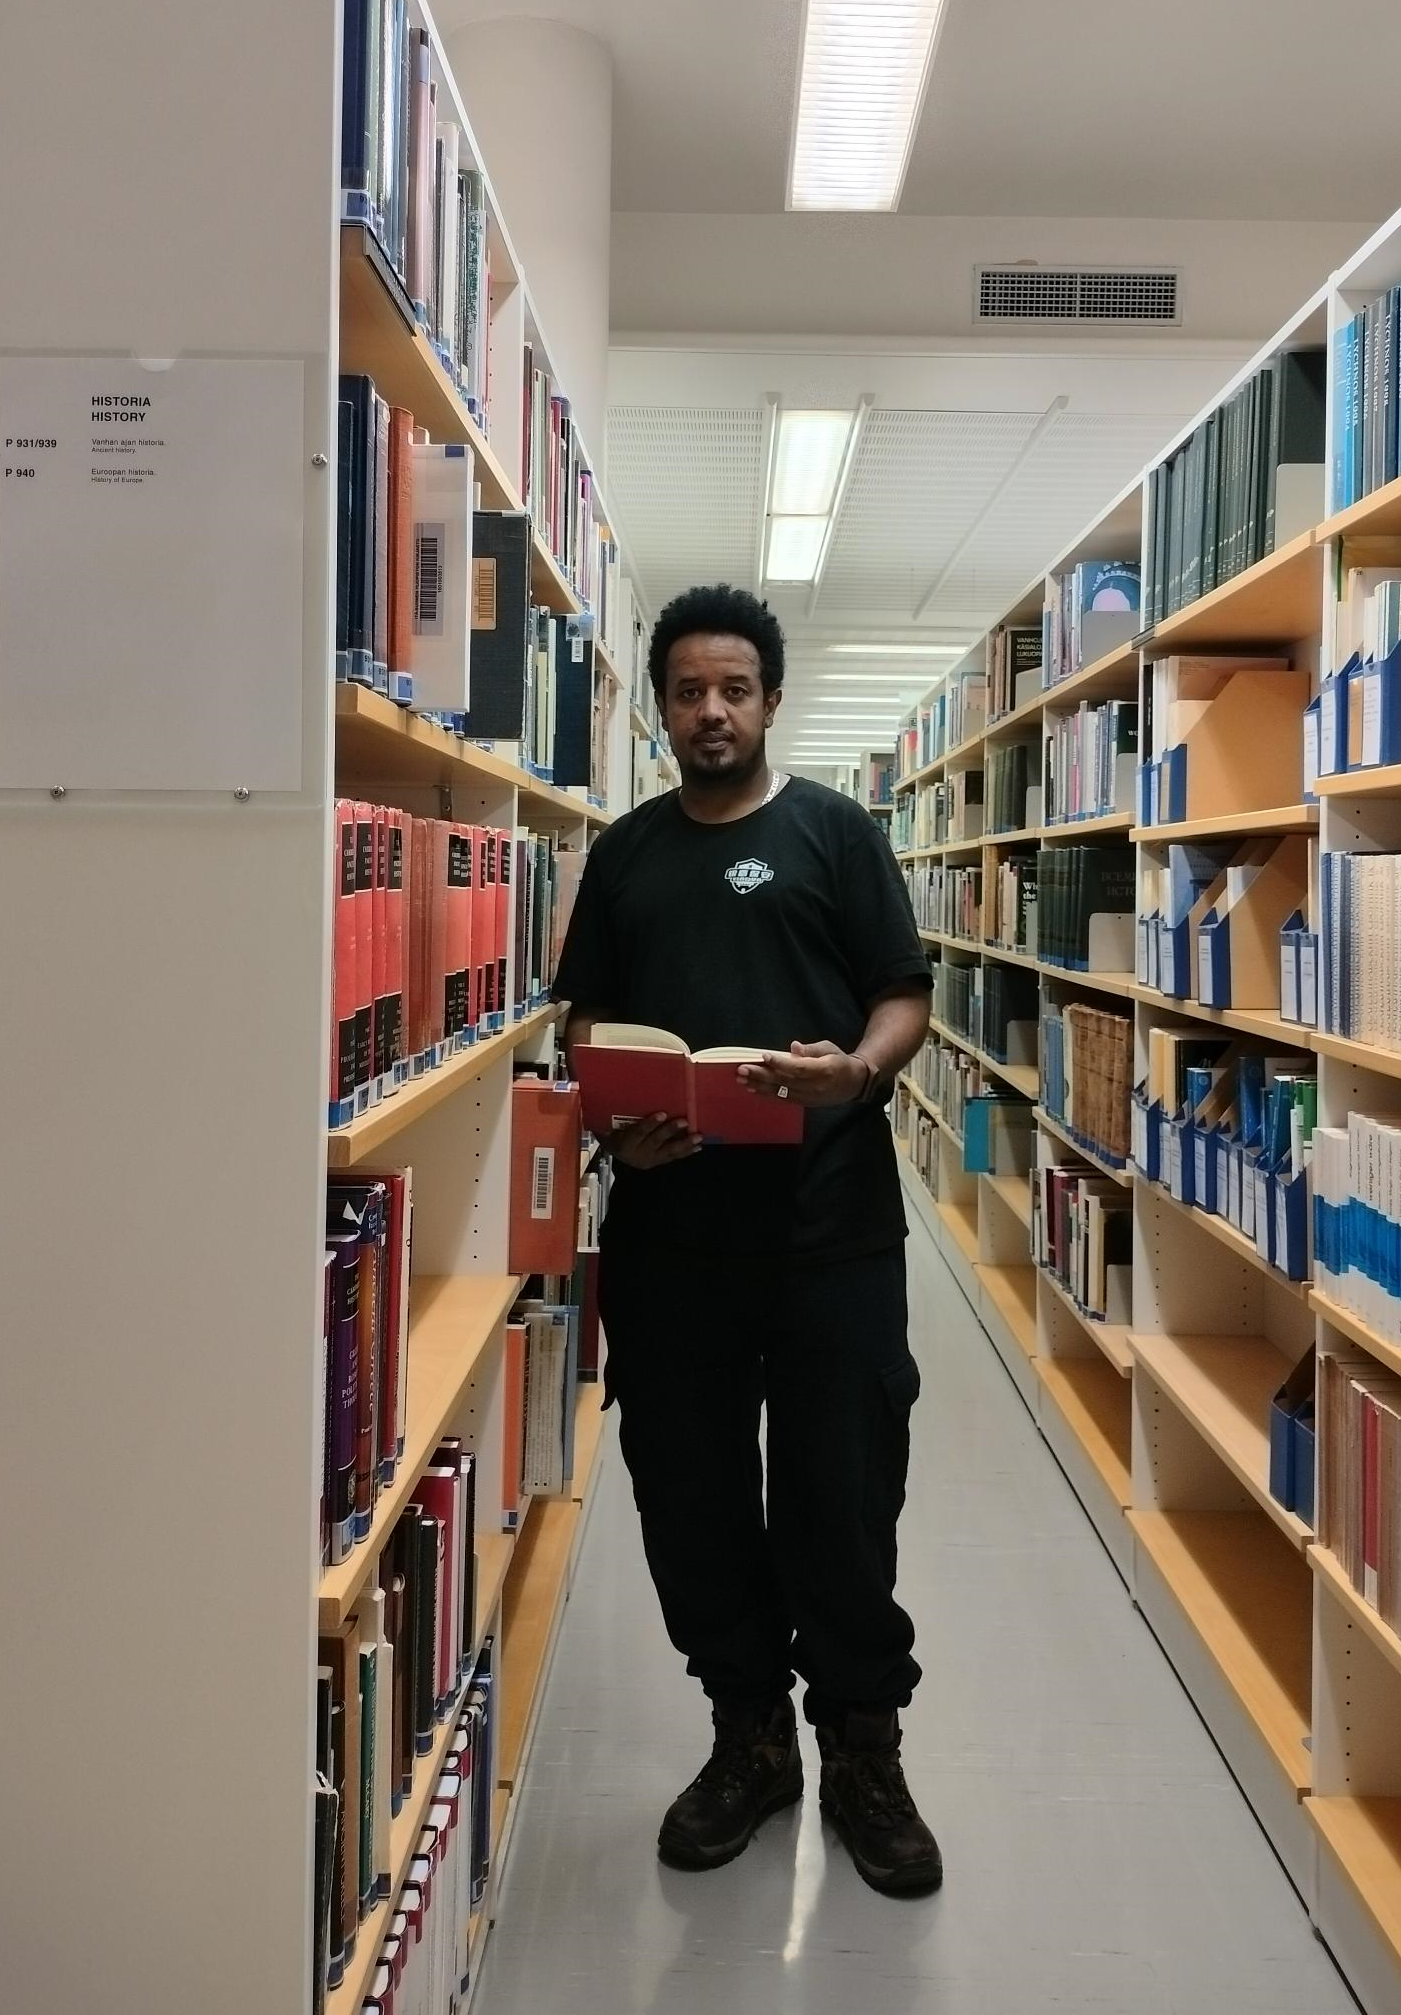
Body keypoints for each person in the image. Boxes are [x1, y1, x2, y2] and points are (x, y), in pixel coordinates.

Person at [550, 582, 943, 1897]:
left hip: (829, 1232)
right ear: (659, 706)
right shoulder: (624, 854)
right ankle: (748, 1737)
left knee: (841, 1492)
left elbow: (902, 995)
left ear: (770, 702)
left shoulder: (835, 835)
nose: (709, 711)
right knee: (692, 1495)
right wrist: (619, 1120)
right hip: (672, 1238)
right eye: (686, 691)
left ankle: (863, 1749)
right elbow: (587, 1022)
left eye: (733, 690)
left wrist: (857, 1074)